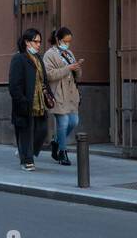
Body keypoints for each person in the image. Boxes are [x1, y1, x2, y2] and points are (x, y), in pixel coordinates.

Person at [8, 28, 49, 172]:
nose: (38, 44)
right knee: (25, 132)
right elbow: (14, 84)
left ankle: (26, 151)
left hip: (39, 102)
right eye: (35, 41)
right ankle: (27, 159)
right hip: (25, 102)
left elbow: (44, 79)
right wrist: (22, 101)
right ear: (27, 42)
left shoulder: (39, 59)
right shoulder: (19, 58)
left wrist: (49, 95)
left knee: (42, 130)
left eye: (40, 42)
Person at [42, 26, 84, 165]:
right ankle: (62, 151)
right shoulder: (49, 54)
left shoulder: (69, 53)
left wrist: (77, 67)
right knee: (63, 122)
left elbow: (77, 76)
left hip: (71, 93)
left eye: (69, 41)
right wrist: (68, 68)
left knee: (74, 121)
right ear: (58, 40)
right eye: (65, 40)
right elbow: (48, 74)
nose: (68, 43)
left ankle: (57, 141)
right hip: (58, 93)